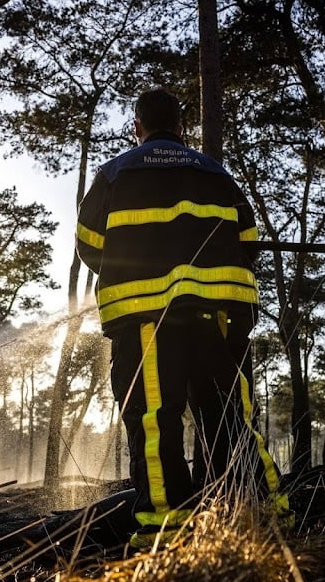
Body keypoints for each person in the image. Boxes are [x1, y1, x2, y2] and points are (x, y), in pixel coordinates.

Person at [76, 87, 290, 548]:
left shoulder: (115, 173)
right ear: (182, 125)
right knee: (230, 414)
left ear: (137, 127)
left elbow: (89, 244)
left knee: (155, 418)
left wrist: (133, 267)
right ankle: (261, 516)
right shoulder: (215, 173)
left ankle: (165, 531)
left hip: (145, 318)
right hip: (217, 317)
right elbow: (247, 240)